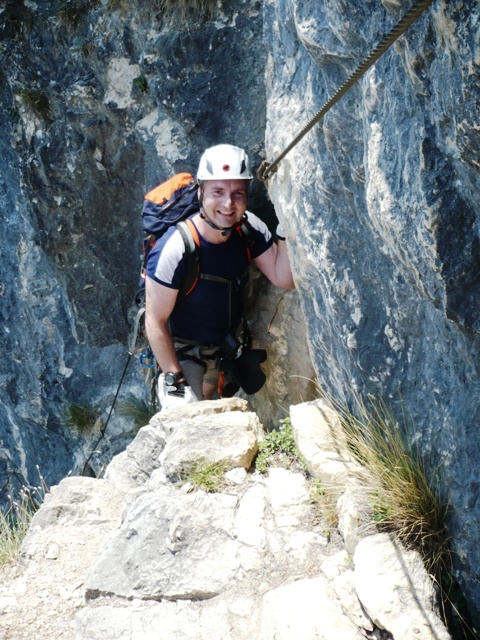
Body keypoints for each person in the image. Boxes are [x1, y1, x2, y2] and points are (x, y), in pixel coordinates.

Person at [144, 144, 294, 404]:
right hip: (183, 351)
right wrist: (174, 379)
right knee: (189, 420)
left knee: (213, 404)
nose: (228, 203)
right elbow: (155, 320)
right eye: (218, 192)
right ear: (201, 193)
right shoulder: (176, 248)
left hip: (223, 345)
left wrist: (286, 227)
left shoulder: (248, 227)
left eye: (238, 193)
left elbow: (284, 279)